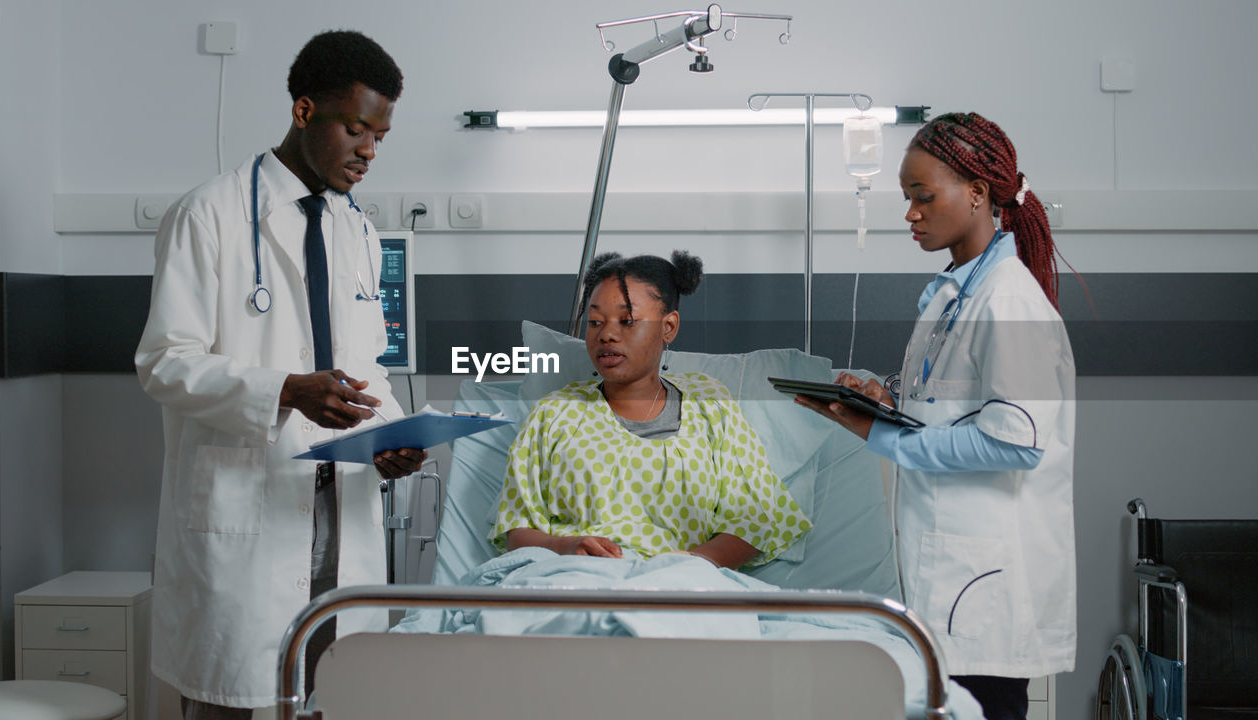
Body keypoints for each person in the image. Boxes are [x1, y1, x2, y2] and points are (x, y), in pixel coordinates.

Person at [134, 30, 425, 719]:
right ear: (303, 112)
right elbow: (164, 362)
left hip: (340, 508)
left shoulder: (356, 230)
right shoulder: (208, 215)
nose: (369, 152)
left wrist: (386, 438)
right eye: (356, 130)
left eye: (380, 137)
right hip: (248, 510)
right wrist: (286, 392)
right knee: (227, 699)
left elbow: (368, 368)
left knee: (334, 689)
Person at [794, 113, 1076, 720]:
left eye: (923, 196)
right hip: (950, 584)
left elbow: (1016, 442)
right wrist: (886, 401)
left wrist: (880, 434)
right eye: (907, 199)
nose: (911, 213)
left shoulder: (1009, 301)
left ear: (977, 193)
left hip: (985, 591)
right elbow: (949, 403)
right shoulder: (957, 294)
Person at [490, 251, 811, 570]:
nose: (607, 334)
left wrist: (690, 566)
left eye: (627, 320)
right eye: (595, 322)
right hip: (576, 578)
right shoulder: (555, 413)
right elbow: (515, 526)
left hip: (682, 583)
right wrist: (562, 547)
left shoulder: (710, 403)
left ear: (668, 327)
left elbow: (754, 517)